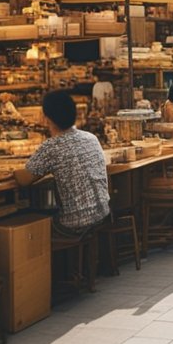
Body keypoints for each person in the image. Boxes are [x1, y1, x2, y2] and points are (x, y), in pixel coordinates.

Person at [23, 90, 112, 235]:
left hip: (75, 224)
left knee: (33, 225)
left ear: (47, 119)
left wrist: (8, 172)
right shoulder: (91, 138)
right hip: (103, 213)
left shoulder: (51, 146)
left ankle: (46, 258)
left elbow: (24, 179)